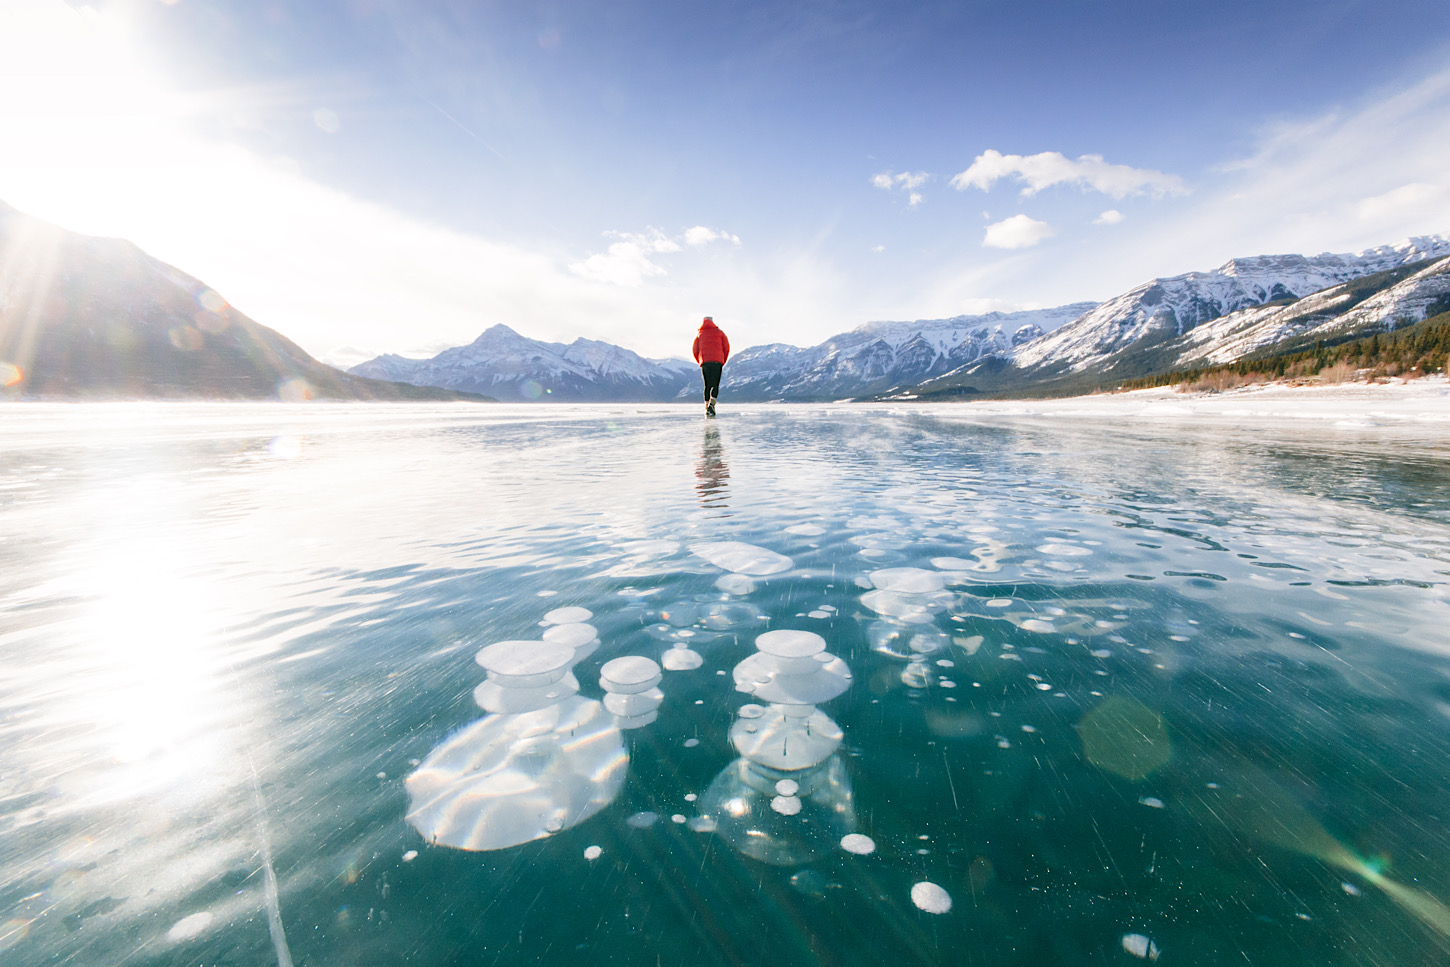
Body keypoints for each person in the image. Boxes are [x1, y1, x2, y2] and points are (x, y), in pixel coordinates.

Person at [692, 315, 730, 416]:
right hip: (717, 362)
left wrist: (700, 361)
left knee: (707, 385)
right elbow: (726, 347)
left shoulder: (700, 334)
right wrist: (722, 360)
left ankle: (706, 406)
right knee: (715, 384)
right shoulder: (720, 333)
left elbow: (695, 350)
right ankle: (712, 404)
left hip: (705, 362)